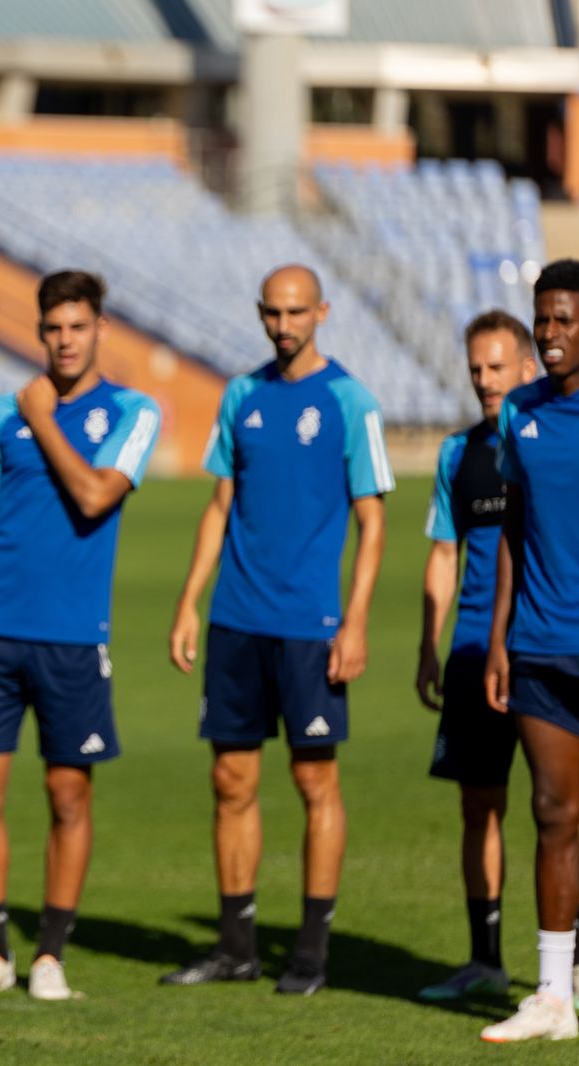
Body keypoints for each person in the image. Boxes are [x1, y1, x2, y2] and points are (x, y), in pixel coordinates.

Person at [164, 264, 393, 995]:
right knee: (230, 779)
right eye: (273, 312)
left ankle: (312, 953)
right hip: (236, 619)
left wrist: (354, 621)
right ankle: (236, 947)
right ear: (261, 313)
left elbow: (373, 521)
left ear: (321, 311)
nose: (284, 324)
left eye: (297, 312)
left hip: (309, 626)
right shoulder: (242, 394)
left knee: (312, 780)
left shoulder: (350, 401)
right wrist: (189, 600)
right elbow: (219, 505)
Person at [0, 270, 159, 1001]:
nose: (65, 340)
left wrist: (43, 420)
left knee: (68, 797)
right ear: (40, 332)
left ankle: (50, 955)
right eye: (53, 328)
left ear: (100, 329)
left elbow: (98, 495)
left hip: (73, 638)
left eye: (77, 326)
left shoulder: (134, 411)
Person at [414, 310, 579, 1007]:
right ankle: (484, 958)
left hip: (547, 646)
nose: (485, 381)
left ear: (526, 365)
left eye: (497, 367)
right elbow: (441, 551)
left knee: (569, 809)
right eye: (475, 368)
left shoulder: (555, 434)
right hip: (475, 654)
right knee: (479, 805)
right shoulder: (459, 454)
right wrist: (429, 643)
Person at [479, 258, 579, 1042]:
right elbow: (512, 531)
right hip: (542, 646)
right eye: (541, 320)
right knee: (553, 811)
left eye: (564, 320)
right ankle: (553, 997)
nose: (549, 336)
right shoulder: (518, 412)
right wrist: (498, 639)